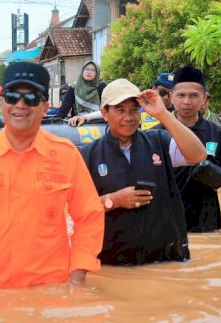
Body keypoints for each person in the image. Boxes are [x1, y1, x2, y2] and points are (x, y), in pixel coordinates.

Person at [0, 61, 104, 289]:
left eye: (31, 98)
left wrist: (77, 278)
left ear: (45, 106)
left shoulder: (66, 155)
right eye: (12, 96)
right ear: (1, 102)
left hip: (51, 291)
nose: (20, 105)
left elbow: (89, 215)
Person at [79, 79, 207, 265]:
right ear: (104, 113)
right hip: (112, 261)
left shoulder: (159, 141)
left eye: (134, 109)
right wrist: (113, 200)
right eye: (120, 110)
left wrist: (163, 114)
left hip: (165, 258)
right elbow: (77, 211)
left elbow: (198, 155)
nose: (129, 117)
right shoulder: (88, 155)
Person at [167, 66, 221, 233]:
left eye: (194, 95)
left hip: (207, 222)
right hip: (168, 224)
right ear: (171, 97)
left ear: (204, 99)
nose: (187, 101)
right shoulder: (156, 134)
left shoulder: (219, 134)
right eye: (181, 95)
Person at [57, 61, 107, 126]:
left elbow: (107, 109)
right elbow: (64, 108)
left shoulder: (101, 86)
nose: (89, 72)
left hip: (98, 123)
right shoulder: (74, 87)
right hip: (78, 123)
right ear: (82, 71)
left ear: (97, 73)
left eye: (93, 70)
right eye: (86, 69)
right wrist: (55, 120)